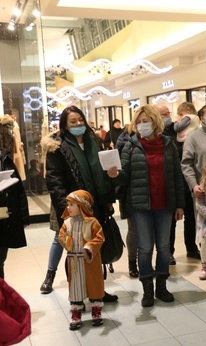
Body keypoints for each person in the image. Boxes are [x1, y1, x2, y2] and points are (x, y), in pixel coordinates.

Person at [108, 105, 185, 307]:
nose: (142, 125)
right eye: (139, 122)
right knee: (144, 249)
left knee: (164, 247)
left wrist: (179, 205)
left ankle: (161, 286)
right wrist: (116, 175)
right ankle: (147, 290)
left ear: (155, 121)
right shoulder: (130, 146)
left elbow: (177, 177)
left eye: (146, 121)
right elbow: (125, 177)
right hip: (140, 205)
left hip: (165, 205)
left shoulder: (168, 145)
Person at [42, 106, 118, 302]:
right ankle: (77, 295)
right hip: (74, 209)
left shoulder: (94, 141)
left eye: (80, 120)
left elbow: (102, 172)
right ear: (65, 125)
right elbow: (55, 182)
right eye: (73, 122)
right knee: (75, 255)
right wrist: (66, 211)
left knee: (95, 251)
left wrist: (109, 196)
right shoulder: (57, 147)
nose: (78, 124)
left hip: (96, 206)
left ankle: (97, 291)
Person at [157, 102, 200, 263]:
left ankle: (192, 248)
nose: (168, 117)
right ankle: (169, 251)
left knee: (191, 217)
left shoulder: (182, 130)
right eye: (164, 114)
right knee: (172, 219)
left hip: (188, 179)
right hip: (172, 182)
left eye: (168, 113)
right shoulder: (160, 134)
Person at [59, 190, 105, 330]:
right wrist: (66, 241)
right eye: (67, 204)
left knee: (94, 285)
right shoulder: (67, 223)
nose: (68, 207)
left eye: (72, 204)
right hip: (74, 262)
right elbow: (61, 236)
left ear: (82, 206)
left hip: (89, 260)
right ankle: (76, 312)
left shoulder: (92, 222)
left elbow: (99, 237)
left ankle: (96, 310)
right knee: (75, 288)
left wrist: (89, 247)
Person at [0, 147, 29, 279]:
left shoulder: (6, 159)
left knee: (1, 260)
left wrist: (23, 218)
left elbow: (19, 191)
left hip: (4, 218)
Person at [115, 124, 138, 278]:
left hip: (151, 194)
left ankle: (144, 262)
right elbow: (121, 173)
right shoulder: (125, 144)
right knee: (134, 230)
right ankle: (132, 262)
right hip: (130, 194)